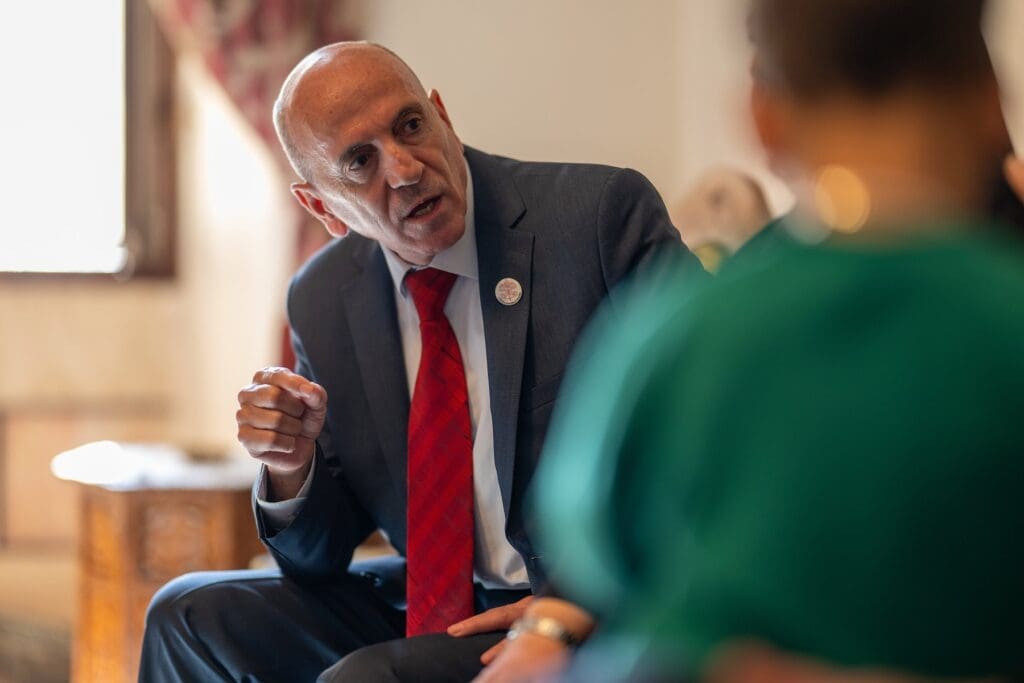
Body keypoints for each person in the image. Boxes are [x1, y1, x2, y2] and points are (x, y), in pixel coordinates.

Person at [138, 41, 692, 683]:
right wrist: (291, 468)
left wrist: (575, 606)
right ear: (322, 208)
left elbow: (714, 424)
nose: (403, 170)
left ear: (442, 117)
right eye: (359, 162)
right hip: (446, 599)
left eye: (409, 126)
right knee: (184, 615)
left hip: (596, 603)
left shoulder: (596, 218)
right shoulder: (322, 296)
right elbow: (320, 556)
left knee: (367, 679)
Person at [534, 1, 1024, 681]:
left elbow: (596, 553)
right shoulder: (1005, 323)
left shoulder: (667, 336)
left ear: (763, 117)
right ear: (988, 102)